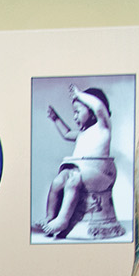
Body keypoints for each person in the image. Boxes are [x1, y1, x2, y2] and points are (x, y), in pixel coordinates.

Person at [39, 85, 115, 238]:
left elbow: (99, 107)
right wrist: (55, 119)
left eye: (77, 112)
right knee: (58, 181)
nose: (74, 117)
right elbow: (67, 134)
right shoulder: (82, 134)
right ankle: (50, 216)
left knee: (73, 181)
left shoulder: (103, 127)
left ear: (92, 113)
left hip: (100, 172)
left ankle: (63, 220)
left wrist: (79, 95)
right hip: (80, 170)